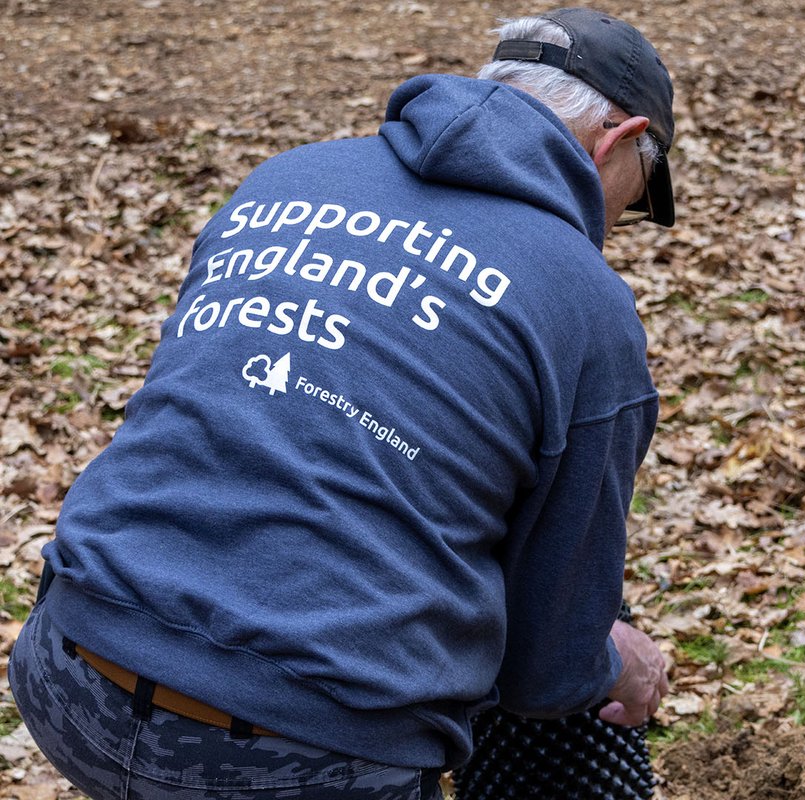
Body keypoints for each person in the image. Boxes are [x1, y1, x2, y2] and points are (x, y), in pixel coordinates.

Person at [8, 8, 676, 799]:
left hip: (68, 667)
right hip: (304, 751)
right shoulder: (587, 303)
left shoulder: (284, 179)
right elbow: (548, 667)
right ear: (618, 137)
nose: (615, 225)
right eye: (635, 196)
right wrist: (612, 662)